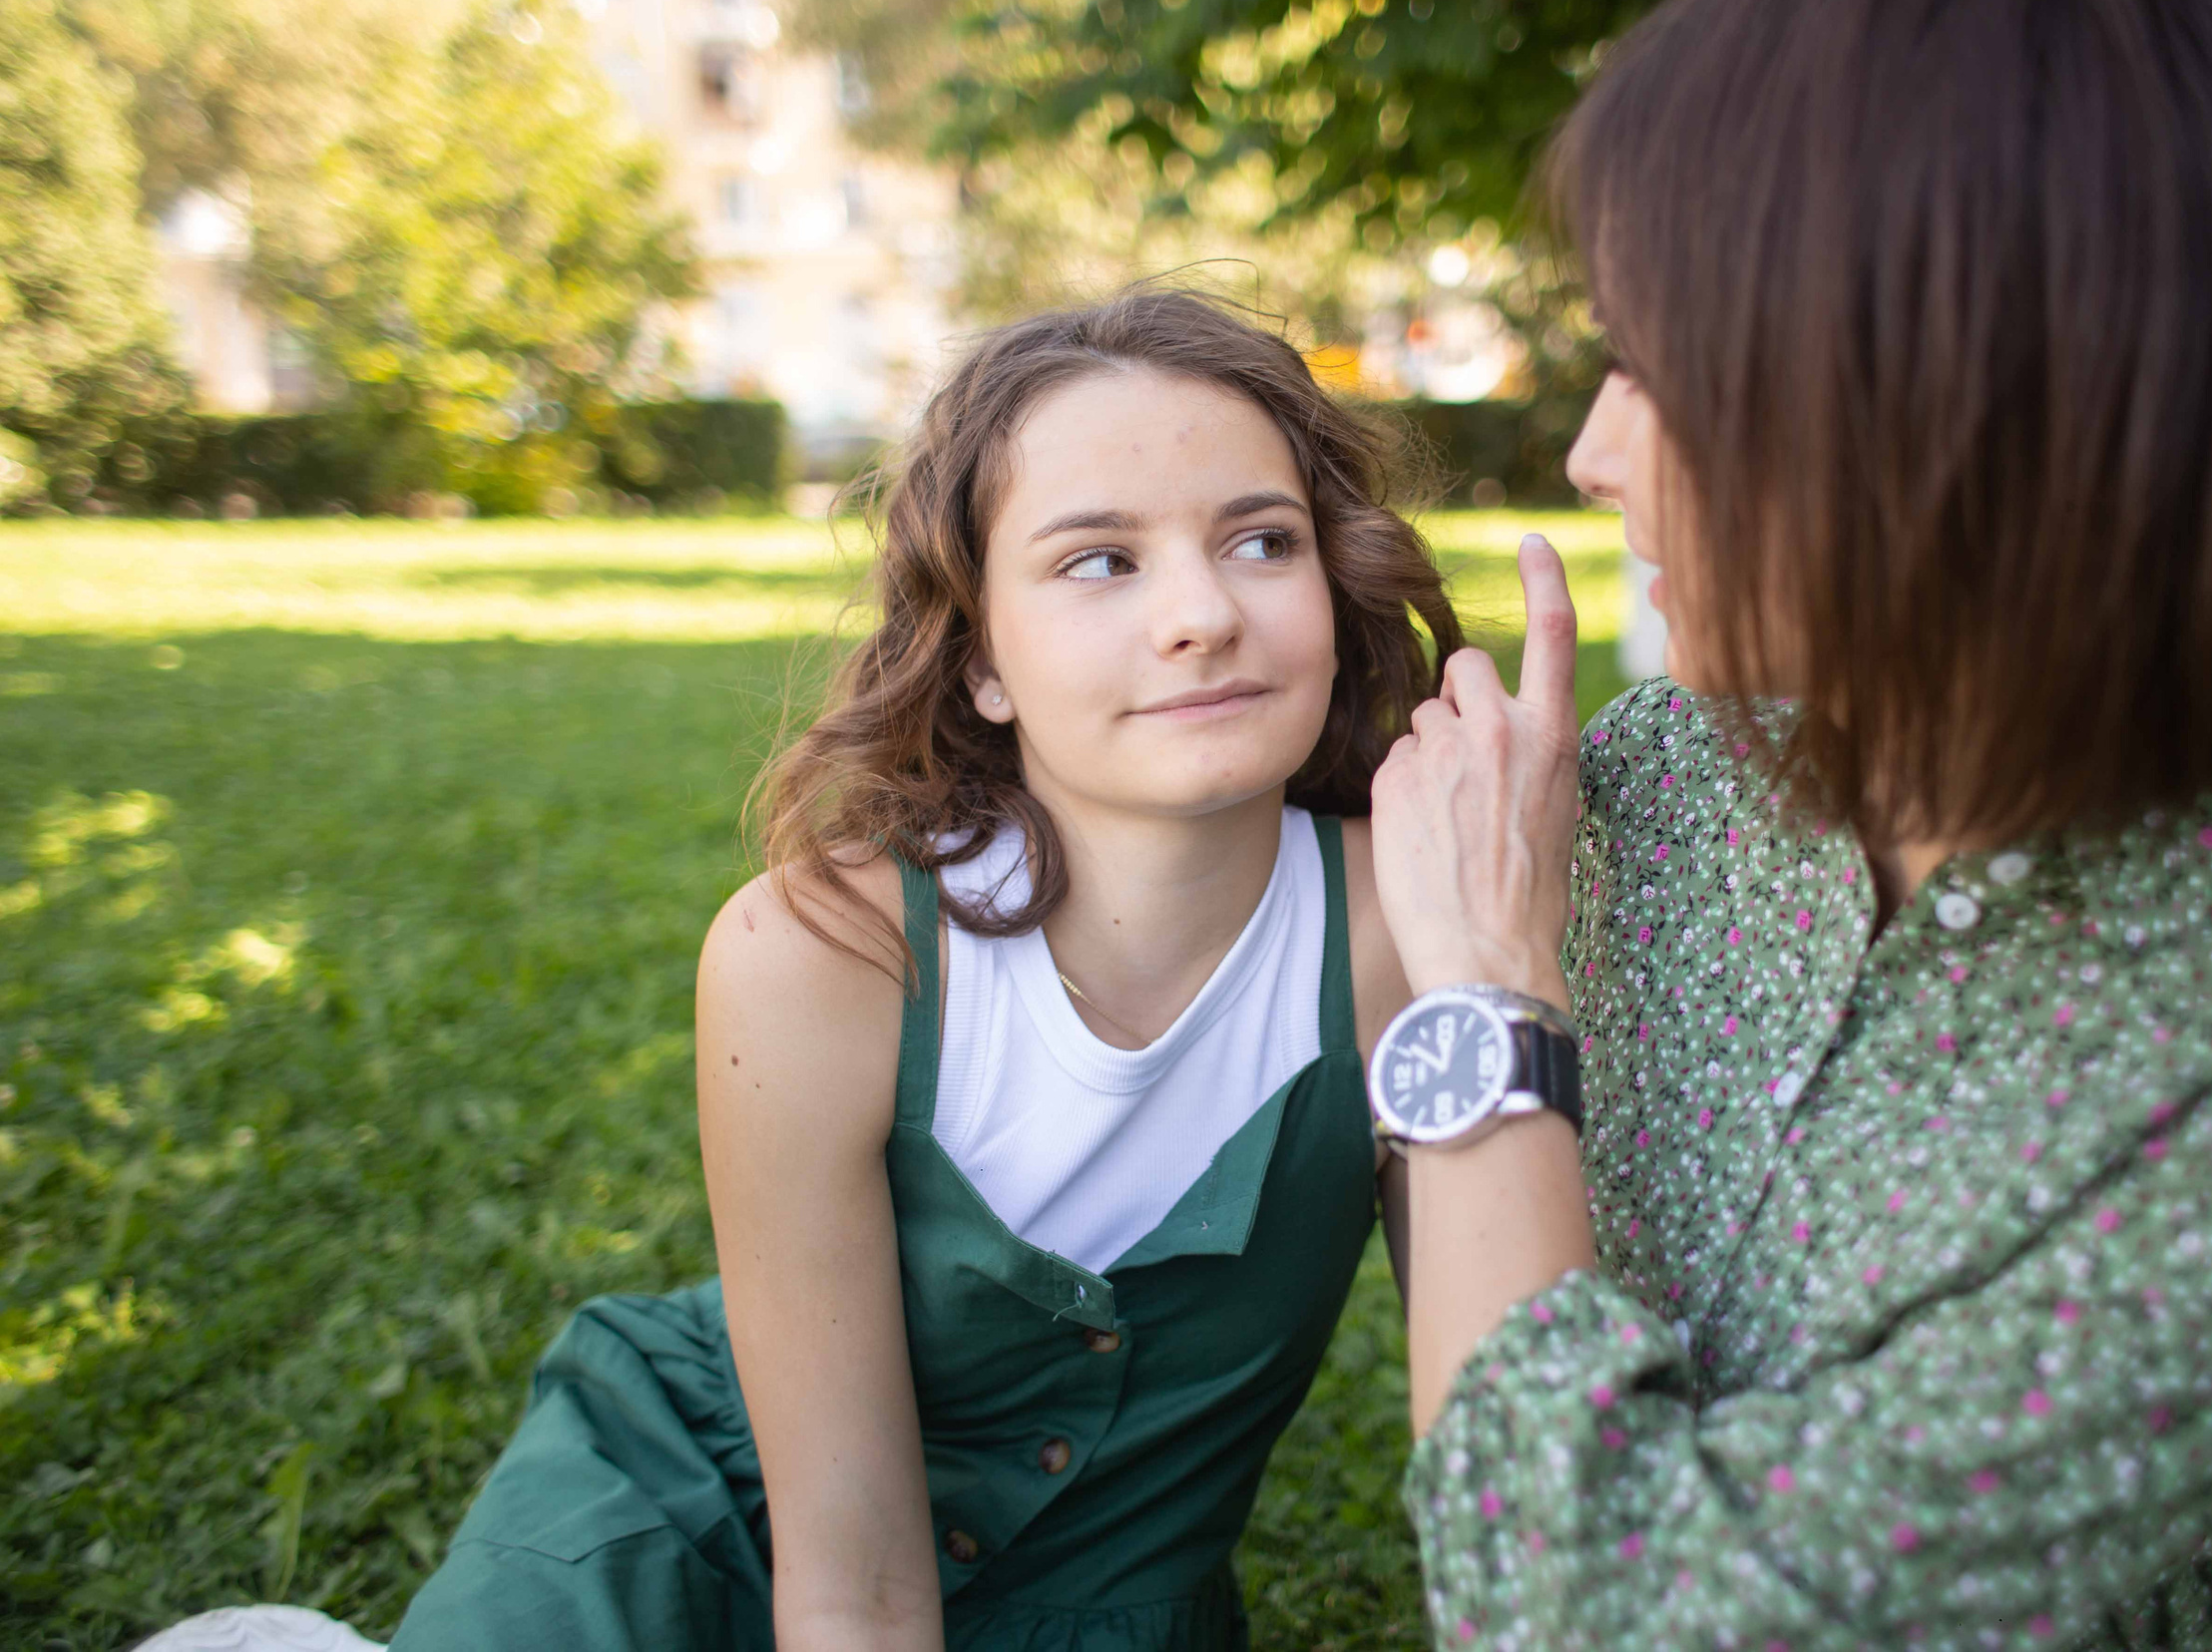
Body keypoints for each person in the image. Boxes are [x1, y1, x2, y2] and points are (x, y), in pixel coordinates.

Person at [1360, 0, 2212, 1648]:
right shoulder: (1660, 782)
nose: (1592, 454)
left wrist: (1488, 1006)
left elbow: (1598, 1620)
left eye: (1664, 369)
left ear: (1964, 402)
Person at [373, 289, 1447, 1650]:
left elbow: (1519, 1428)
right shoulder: (821, 956)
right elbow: (858, 1587)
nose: (1201, 615)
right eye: (1098, 561)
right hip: (698, 1509)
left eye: (1260, 539)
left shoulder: (1417, 932)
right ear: (983, 655)